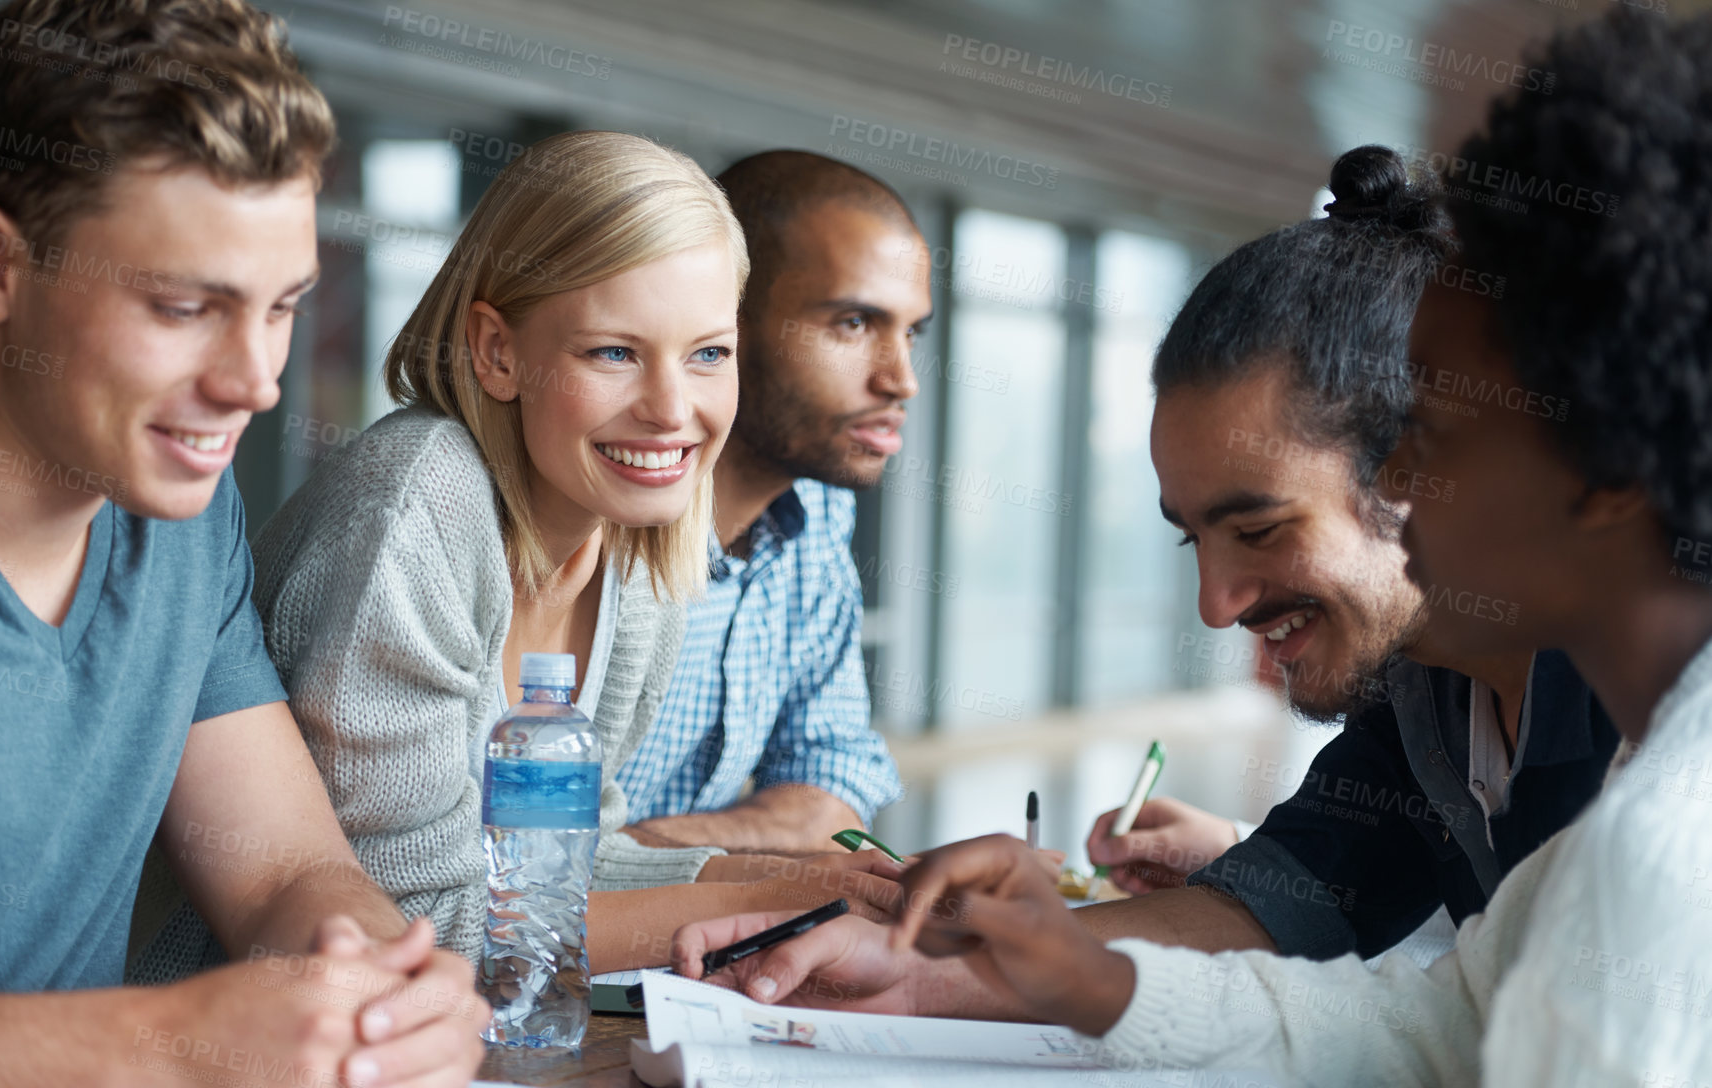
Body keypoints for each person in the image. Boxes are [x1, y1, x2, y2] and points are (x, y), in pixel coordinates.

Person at [690, 10, 1712, 1088]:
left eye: (1441, 428)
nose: (1218, 605)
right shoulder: (1455, 720)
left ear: (1608, 458)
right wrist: (1012, 971)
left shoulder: (1654, 851)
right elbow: (1421, 1026)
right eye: (1191, 540)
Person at [670, 143, 1619, 1016]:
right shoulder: (1420, 695)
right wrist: (924, 967)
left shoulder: (1651, 699)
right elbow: (1274, 907)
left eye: (1257, 527)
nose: (1218, 604)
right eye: (1191, 540)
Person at [129, 131, 902, 983]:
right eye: (614, 352)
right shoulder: (419, 501)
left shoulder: (634, 545)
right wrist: (765, 906)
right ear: (498, 352)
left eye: (708, 354)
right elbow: (415, 925)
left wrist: (825, 884)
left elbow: (563, 863)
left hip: (465, 1043)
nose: (672, 409)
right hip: (233, 1038)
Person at [0, 0, 484, 1088]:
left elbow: (276, 874)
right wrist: (159, 1051)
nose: (255, 380)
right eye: (183, 307)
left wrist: (372, 990)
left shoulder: (183, 526)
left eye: (283, 309)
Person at [612, 150, 931, 855]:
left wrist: (630, 853)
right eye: (852, 323)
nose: (900, 378)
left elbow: (835, 775)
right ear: (722, 323)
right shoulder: (592, 512)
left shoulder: (817, 515)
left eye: (910, 331)